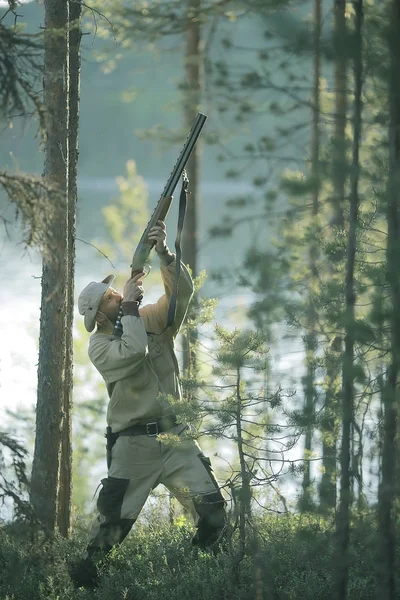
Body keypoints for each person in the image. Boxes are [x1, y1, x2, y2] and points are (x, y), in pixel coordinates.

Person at [71, 220, 226, 589]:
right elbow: (134, 349)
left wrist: (165, 256)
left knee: (213, 514)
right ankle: (83, 586)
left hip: (175, 440)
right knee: (109, 533)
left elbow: (181, 298)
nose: (118, 295)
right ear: (101, 314)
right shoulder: (100, 346)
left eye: (116, 294)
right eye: (111, 297)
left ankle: (201, 575)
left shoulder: (146, 318)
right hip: (133, 446)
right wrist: (128, 304)